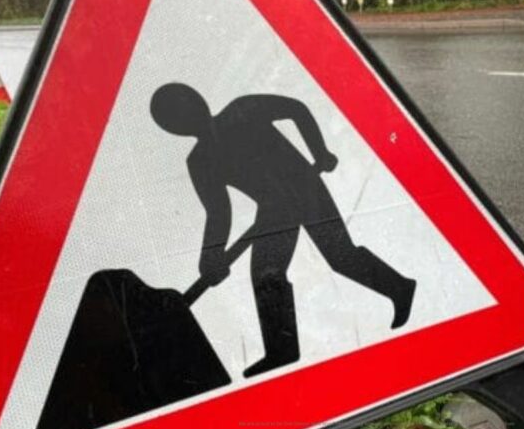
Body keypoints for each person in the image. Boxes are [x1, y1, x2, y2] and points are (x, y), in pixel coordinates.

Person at [150, 83, 416, 377]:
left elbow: (296, 109)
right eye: (175, 118)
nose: (185, 118)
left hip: (305, 189)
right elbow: (218, 213)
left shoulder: (243, 109)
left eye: (184, 109)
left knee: (340, 257)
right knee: (267, 274)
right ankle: (282, 350)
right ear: (172, 129)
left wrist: (320, 151)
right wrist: (210, 257)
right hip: (272, 213)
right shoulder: (200, 160)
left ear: (198, 101)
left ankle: (401, 288)